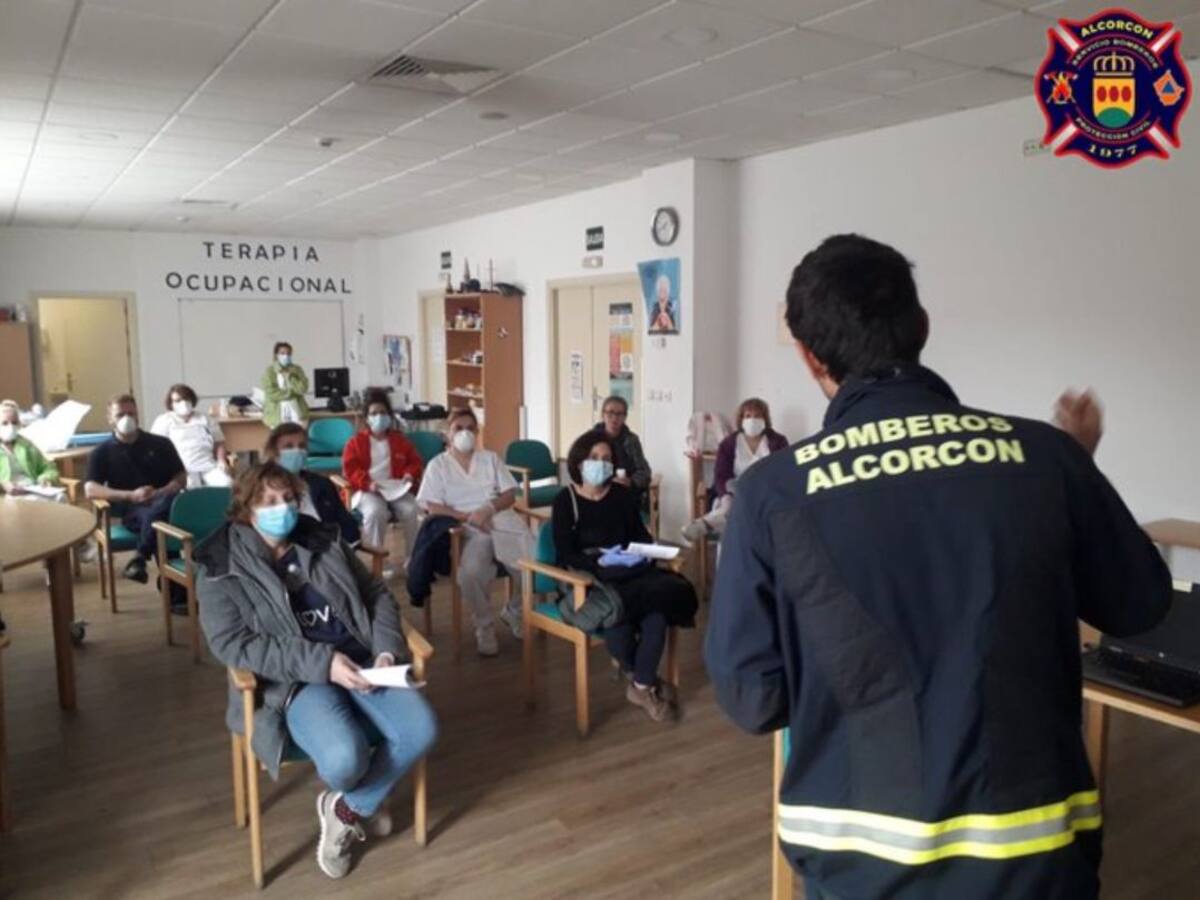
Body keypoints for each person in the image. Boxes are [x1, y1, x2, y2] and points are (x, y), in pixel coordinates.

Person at [704, 234, 1172, 900]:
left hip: (860, 862)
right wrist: (1074, 471)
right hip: (1034, 856)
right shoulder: (1046, 457)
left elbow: (755, 700)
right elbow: (1140, 603)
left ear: (809, 357)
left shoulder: (772, 492)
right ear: (921, 326)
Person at [195, 463, 437, 880]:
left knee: (421, 729)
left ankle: (346, 809)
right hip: (298, 680)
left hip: (362, 659)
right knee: (345, 759)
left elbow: (376, 592)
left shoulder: (321, 537)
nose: (283, 508)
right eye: (270, 501)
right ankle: (363, 795)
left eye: (289, 498)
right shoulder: (220, 563)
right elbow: (232, 644)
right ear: (246, 509)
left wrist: (385, 650)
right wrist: (324, 664)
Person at [553, 431, 697, 722]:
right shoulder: (566, 500)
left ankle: (641, 686)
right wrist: (600, 561)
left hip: (630, 571)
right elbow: (566, 553)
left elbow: (641, 537)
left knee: (657, 614)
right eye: (594, 457)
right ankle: (645, 680)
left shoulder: (622, 496)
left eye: (606, 458)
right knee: (618, 620)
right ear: (579, 462)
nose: (600, 463)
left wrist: (641, 553)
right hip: (591, 577)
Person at [415, 408, 530, 657]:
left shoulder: (490, 459)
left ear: (477, 433)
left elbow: (510, 495)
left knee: (532, 565)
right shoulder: (438, 465)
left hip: (499, 519)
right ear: (447, 433)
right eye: (458, 428)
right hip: (466, 529)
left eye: (470, 428)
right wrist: (468, 517)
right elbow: (432, 506)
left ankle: (514, 610)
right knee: (471, 573)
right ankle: (484, 626)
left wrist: (488, 509)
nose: (465, 433)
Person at [84, 393, 187, 584]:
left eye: (131, 413)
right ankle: (174, 587)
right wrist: (130, 495)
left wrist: (163, 491)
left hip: (166, 501)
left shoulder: (161, 444)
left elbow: (180, 476)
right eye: (120, 415)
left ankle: (141, 557)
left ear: (138, 415)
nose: (127, 418)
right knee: (160, 523)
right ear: (110, 419)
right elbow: (90, 489)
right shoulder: (101, 452)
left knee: (164, 508)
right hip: (133, 510)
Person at [681, 397, 788, 545]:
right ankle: (721, 522)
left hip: (766, 492)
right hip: (735, 491)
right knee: (731, 504)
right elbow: (721, 475)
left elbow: (784, 472)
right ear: (741, 419)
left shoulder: (778, 441)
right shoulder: (729, 443)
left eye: (758, 416)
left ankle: (709, 523)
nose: (753, 420)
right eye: (748, 416)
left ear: (765, 419)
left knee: (737, 511)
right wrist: (726, 496)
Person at [342, 390, 422, 579]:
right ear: (367, 418)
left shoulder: (400, 440)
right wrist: (368, 484)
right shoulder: (355, 442)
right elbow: (350, 470)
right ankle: (378, 561)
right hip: (368, 489)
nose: (379, 417)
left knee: (412, 510)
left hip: (395, 488)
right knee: (375, 512)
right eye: (374, 413)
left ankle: (413, 559)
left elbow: (415, 462)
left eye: (383, 412)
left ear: (390, 416)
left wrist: (409, 474)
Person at [264, 423, 360, 547]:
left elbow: (348, 525)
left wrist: (343, 547)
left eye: (302, 446)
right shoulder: (263, 488)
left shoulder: (322, 484)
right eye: (288, 446)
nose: (297, 451)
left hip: (330, 549)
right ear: (274, 452)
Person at [150, 383, 232, 488]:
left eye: (186, 399)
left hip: (208, 466)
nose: (183, 403)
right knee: (192, 491)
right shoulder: (164, 421)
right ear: (171, 404)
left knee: (228, 485)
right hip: (183, 470)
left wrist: (221, 461)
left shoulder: (205, 418)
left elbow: (219, 442)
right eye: (178, 400)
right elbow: (155, 447)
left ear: (192, 400)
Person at [593, 396, 651, 500]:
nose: (614, 418)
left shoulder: (631, 440)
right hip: (598, 492)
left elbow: (644, 472)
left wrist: (630, 481)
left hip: (624, 492)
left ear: (625, 417)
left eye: (619, 414)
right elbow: (583, 469)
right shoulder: (592, 438)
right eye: (610, 413)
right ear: (603, 414)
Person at [261, 341, 309, 428]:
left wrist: (290, 376)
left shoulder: (297, 369)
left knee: (299, 434)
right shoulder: (269, 371)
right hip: (277, 415)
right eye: (282, 353)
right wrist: (291, 393)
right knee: (280, 435)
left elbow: (303, 389)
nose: (286, 356)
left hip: (297, 412)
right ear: (276, 355)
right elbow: (272, 393)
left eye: (288, 353)